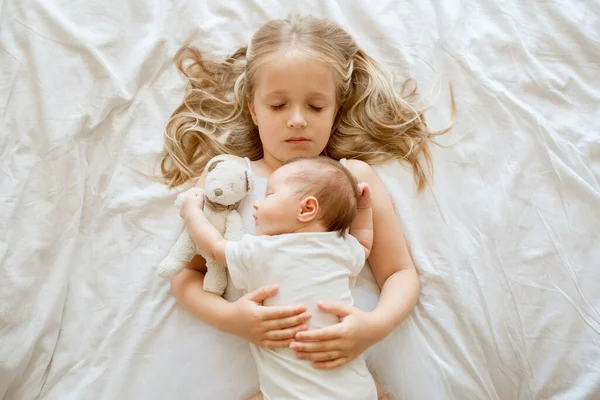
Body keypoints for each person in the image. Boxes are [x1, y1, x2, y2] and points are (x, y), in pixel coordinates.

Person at [160, 13, 451, 390]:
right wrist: (231, 318)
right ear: (253, 108)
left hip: (344, 380)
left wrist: (373, 326)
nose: (297, 120)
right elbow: (187, 276)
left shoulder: (354, 179)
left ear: (336, 109)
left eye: (315, 107)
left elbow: (398, 273)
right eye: (278, 106)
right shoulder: (228, 180)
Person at [179, 156, 386, 399]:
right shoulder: (340, 247)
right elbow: (363, 244)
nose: (256, 205)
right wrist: (363, 209)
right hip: (354, 389)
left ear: (306, 209)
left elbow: (214, 247)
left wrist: (192, 212)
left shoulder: (262, 251)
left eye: (269, 195)